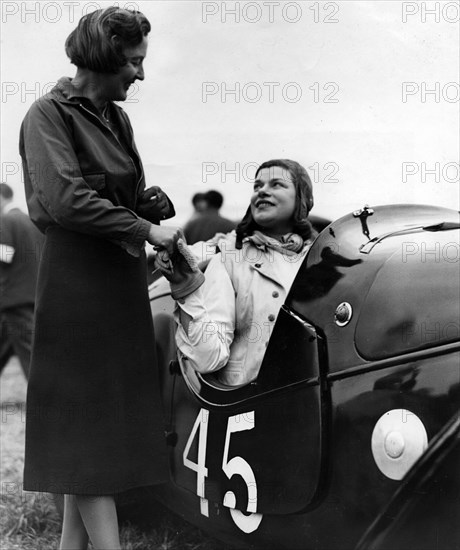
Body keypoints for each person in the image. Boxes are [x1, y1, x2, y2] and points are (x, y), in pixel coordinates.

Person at [19, 8, 181, 550]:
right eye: (134, 62)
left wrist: (147, 208)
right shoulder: (48, 115)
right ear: (107, 58)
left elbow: (115, 196)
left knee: (97, 435)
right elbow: (65, 200)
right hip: (76, 290)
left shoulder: (116, 117)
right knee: (85, 436)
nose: (140, 74)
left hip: (117, 283)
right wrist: (142, 228)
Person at [157, 159, 316, 386]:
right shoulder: (229, 257)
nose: (262, 192)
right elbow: (208, 360)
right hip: (252, 405)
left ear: (302, 197)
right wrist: (185, 286)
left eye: (276, 184)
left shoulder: (320, 260)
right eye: (257, 186)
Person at [0, 183, 44, 379]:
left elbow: (6, 254)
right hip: (32, 294)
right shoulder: (29, 221)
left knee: (30, 353)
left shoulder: (6, 220)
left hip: (14, 299)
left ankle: (45, 400)